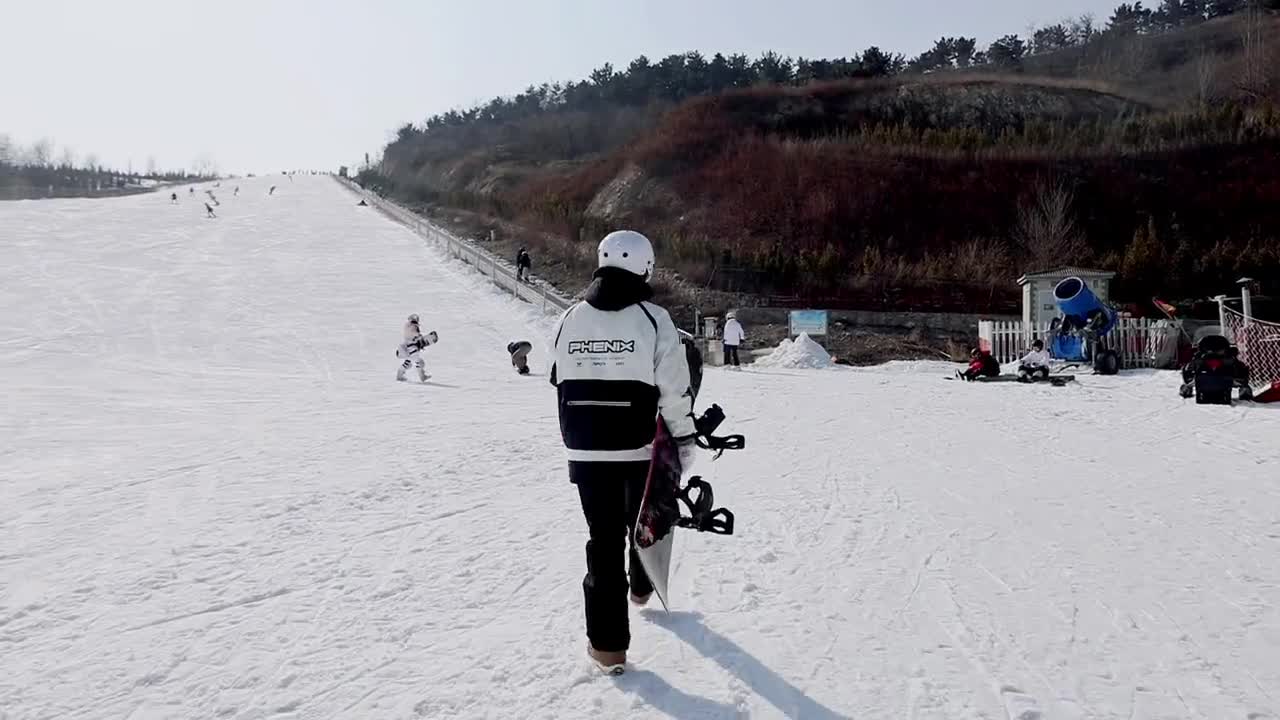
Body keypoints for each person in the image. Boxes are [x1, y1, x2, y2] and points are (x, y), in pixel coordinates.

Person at [550, 230, 699, 674]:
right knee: (641, 518)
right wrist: (684, 440)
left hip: (585, 452)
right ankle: (641, 586)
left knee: (603, 539)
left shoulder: (569, 317)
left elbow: (555, 374)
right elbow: (674, 389)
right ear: (646, 267)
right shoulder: (654, 319)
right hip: (636, 448)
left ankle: (608, 648)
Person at [396, 314, 438, 382]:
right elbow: (413, 333)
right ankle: (422, 377)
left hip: (407, 348)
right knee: (419, 363)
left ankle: (400, 375)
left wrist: (419, 341)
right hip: (411, 348)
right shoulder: (411, 326)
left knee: (408, 363)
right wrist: (419, 337)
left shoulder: (408, 325)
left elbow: (412, 336)